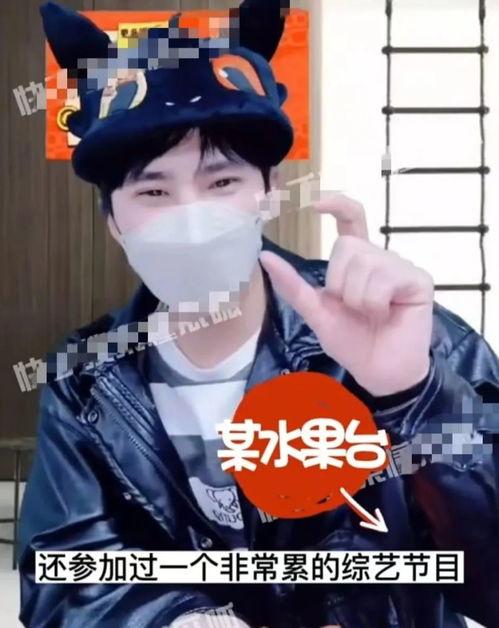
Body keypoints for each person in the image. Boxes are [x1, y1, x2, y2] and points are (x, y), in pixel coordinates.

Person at [18, 1, 499, 627]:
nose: (192, 218)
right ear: (114, 222)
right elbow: (61, 576)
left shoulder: (405, 330)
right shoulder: (85, 379)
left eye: (222, 183)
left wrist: (415, 395)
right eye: (154, 191)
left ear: (268, 194)